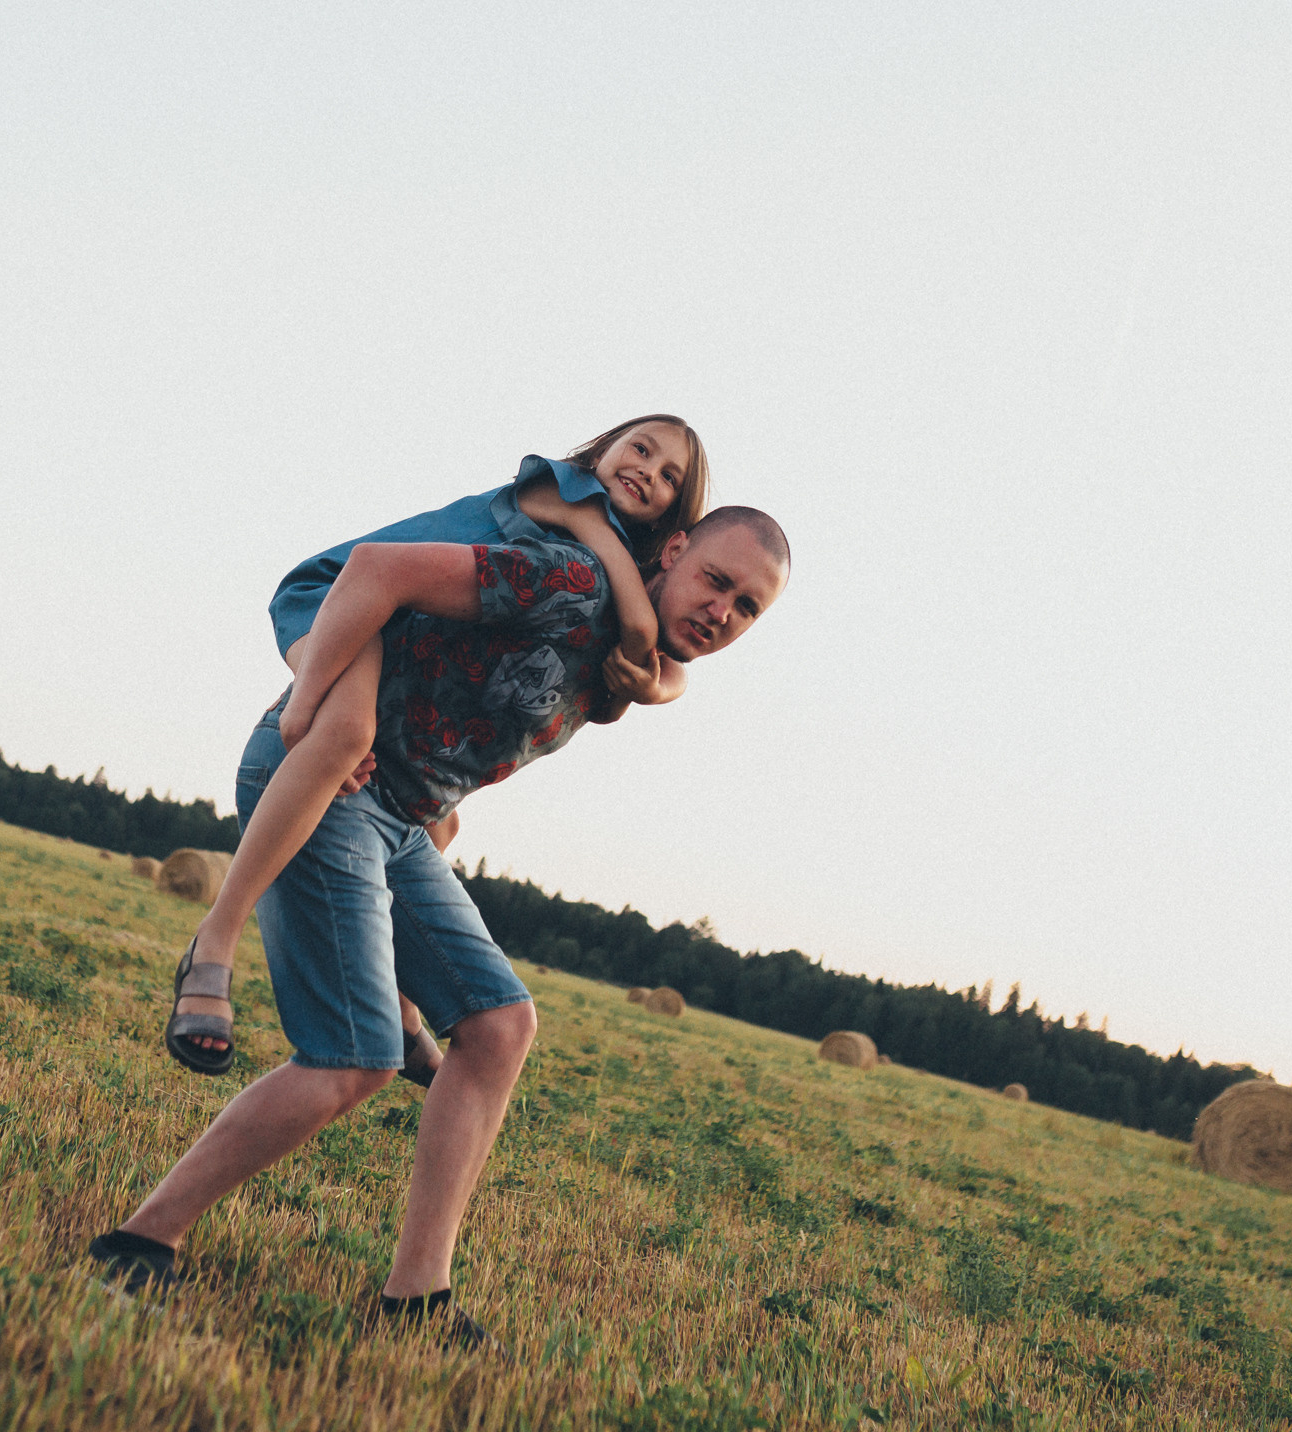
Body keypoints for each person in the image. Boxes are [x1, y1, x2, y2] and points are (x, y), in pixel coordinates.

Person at [93, 504, 790, 1347]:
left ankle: (415, 1299)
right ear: (673, 551)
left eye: (747, 608)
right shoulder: (566, 582)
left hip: (402, 821)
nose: (723, 612)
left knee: (500, 1027)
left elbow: (643, 679)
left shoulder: (626, 660)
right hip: (332, 785)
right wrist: (311, 709)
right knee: (354, 1059)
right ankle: (140, 1240)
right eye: (717, 580)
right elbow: (376, 571)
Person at [164, 418, 711, 1082]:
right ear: (603, 451)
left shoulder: (607, 555)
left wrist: (662, 680)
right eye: (641, 450)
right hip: (343, 597)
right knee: (345, 734)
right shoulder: (564, 492)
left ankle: (398, 1001)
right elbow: (637, 620)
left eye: (669, 476)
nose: (648, 471)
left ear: (676, 516)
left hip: (389, 625)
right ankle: (214, 941)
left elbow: (647, 650)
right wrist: (308, 702)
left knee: (437, 821)